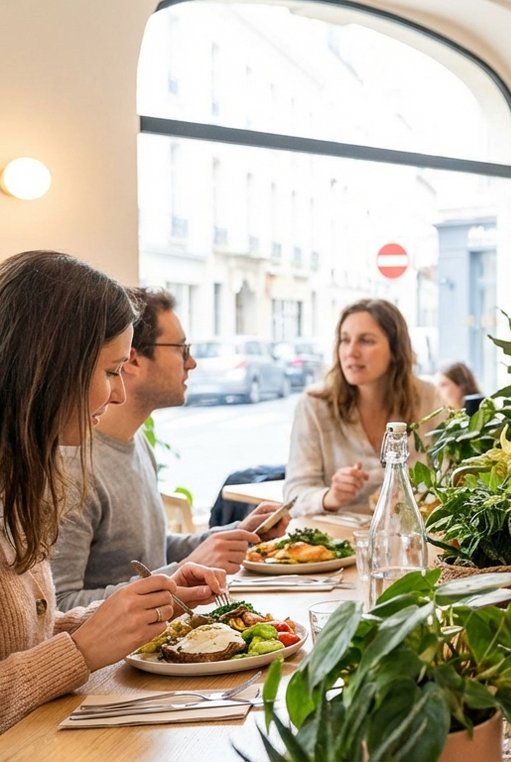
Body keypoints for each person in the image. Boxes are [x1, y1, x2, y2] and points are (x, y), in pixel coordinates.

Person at [0, 251, 226, 733]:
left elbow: (34, 630)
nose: (118, 394)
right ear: (50, 365)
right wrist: (79, 652)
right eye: (109, 372)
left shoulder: (20, 480)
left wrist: (129, 610)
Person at [51, 288, 293, 608]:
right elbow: (58, 608)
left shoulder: (135, 440)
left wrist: (234, 536)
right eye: (181, 348)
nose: (191, 362)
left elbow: (146, 555)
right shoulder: (72, 466)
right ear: (133, 359)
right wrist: (178, 572)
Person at [285, 299, 442, 515]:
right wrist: (330, 496)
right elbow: (294, 495)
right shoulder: (315, 405)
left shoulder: (428, 398)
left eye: (366, 341)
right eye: (344, 340)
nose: (351, 351)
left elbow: (448, 478)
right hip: (335, 542)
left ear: (395, 350)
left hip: (408, 535)